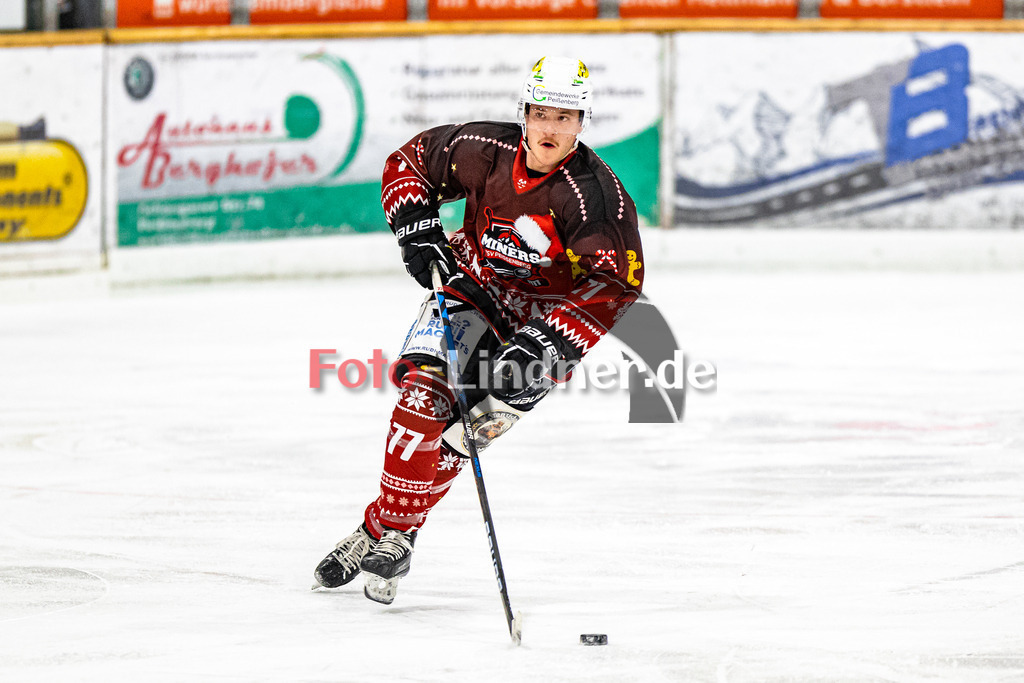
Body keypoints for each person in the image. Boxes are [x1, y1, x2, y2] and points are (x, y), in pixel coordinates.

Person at [313, 56, 644, 604]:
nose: (551, 128)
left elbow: (614, 283)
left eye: (565, 117)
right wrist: (417, 230)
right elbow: (409, 162)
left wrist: (547, 347)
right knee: (423, 397)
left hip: (543, 325)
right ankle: (397, 538)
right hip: (473, 288)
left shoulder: (594, 197)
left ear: (582, 122)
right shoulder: (484, 148)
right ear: (524, 112)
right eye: (542, 113)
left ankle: (381, 530)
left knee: (462, 437)